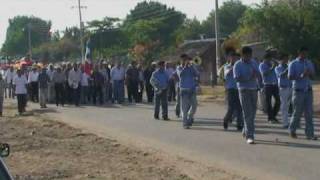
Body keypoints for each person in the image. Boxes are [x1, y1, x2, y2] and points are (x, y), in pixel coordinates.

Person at [288, 47, 317, 140]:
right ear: (299, 52)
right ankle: (292, 130)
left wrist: (310, 74)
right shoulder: (293, 63)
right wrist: (301, 75)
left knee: (309, 113)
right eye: (303, 53)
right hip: (298, 91)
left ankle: (310, 134)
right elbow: (289, 77)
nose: (305, 55)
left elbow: (313, 76)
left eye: (306, 53)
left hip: (308, 91)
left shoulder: (309, 63)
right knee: (297, 113)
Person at [233, 46, 260, 144]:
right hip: (244, 90)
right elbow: (237, 79)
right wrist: (248, 77)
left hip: (254, 89)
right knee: (248, 113)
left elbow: (258, 73)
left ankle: (246, 129)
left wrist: (256, 76)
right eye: (247, 55)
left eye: (250, 55)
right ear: (243, 55)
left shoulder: (253, 62)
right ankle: (250, 136)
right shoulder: (237, 65)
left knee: (252, 113)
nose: (249, 57)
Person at [177, 54, 199, 129]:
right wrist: (185, 67)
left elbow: (197, 74)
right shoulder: (179, 67)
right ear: (181, 60)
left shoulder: (191, 67)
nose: (186, 60)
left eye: (186, 59)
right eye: (184, 59)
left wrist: (193, 66)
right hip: (184, 90)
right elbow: (180, 75)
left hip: (192, 90)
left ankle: (190, 117)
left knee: (195, 105)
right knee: (184, 108)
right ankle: (185, 123)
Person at [223, 50, 243, 131]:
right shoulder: (226, 66)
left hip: (239, 88)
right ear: (230, 58)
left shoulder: (240, 66)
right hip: (230, 89)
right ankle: (226, 120)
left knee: (239, 108)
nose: (235, 59)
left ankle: (239, 124)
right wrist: (233, 67)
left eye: (236, 57)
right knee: (231, 108)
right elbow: (226, 74)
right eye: (233, 57)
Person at [259, 52, 280, 123]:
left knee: (278, 101)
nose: (269, 60)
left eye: (270, 59)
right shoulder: (262, 65)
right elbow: (264, 74)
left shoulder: (271, 64)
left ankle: (273, 116)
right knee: (268, 102)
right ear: (265, 59)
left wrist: (275, 65)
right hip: (267, 85)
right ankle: (270, 118)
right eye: (268, 59)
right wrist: (272, 68)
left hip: (275, 85)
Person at [275, 53, 292, 129]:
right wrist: (288, 69)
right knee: (284, 106)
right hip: (283, 88)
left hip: (291, 87)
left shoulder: (289, 66)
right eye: (284, 59)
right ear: (280, 60)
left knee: (290, 106)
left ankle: (292, 122)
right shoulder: (278, 68)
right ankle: (285, 123)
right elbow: (281, 75)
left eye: (287, 59)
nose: (286, 60)